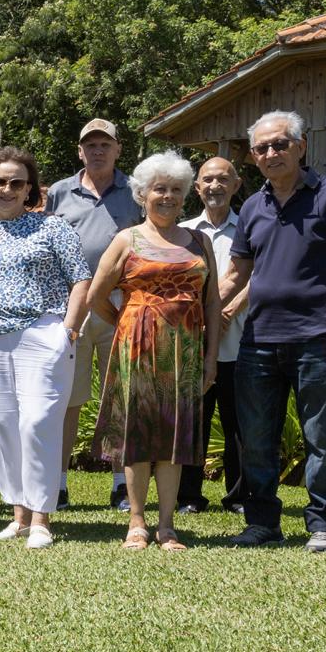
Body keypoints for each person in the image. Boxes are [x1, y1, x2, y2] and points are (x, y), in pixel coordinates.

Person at [224, 110, 326, 551]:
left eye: (280, 144)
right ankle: (263, 524)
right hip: (258, 341)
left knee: (321, 438)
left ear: (301, 146)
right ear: (253, 157)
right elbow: (237, 274)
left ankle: (324, 525)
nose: (271, 153)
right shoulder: (252, 207)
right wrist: (198, 307)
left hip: (318, 339)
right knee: (255, 440)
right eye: (262, 148)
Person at [84, 152, 219, 551]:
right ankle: (137, 521)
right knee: (139, 436)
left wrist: (210, 357)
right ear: (143, 194)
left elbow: (212, 302)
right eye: (160, 189)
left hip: (185, 352)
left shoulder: (200, 241)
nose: (168, 196)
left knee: (174, 438)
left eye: (176, 189)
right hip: (138, 351)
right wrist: (129, 321)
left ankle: (167, 526)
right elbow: (95, 296)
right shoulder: (127, 240)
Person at [0, 147, 92, 550]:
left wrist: (68, 331)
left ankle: (41, 520)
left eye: (16, 182)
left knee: (38, 424)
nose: (7, 189)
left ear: (29, 188)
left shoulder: (52, 228)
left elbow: (81, 279)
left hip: (42, 333)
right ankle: (19, 517)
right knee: (5, 428)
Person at [44, 118, 143, 511]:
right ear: (79, 151)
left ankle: (121, 484)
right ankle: (59, 484)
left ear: (118, 149)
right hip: (73, 306)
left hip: (122, 304)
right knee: (67, 398)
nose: (98, 151)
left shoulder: (136, 190)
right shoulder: (59, 192)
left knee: (120, 396)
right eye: (91, 145)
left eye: (105, 144)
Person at [178, 157, 251, 514]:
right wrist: (203, 317)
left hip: (239, 338)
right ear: (197, 188)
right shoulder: (183, 232)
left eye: (223, 179)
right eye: (207, 180)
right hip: (194, 341)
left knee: (239, 423)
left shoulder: (249, 228)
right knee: (193, 420)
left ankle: (238, 497)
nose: (214, 186)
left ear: (236, 185)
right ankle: (189, 497)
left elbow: (257, 272)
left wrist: (228, 309)